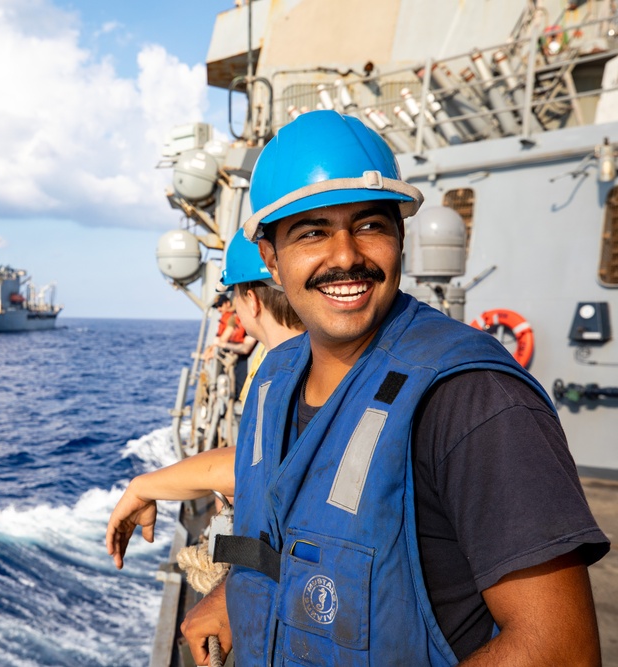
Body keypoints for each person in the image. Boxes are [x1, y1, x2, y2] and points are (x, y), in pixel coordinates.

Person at [188, 109, 609, 667]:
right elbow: (287, 537)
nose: (345, 257)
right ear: (269, 257)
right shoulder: (273, 379)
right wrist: (228, 597)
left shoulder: (473, 399)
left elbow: (560, 651)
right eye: (312, 231)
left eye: (369, 225)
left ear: (400, 235)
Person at [106, 229, 303, 570]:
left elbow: (245, 471)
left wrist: (143, 488)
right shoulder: (308, 359)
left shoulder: (287, 373)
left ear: (250, 301)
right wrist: (145, 486)